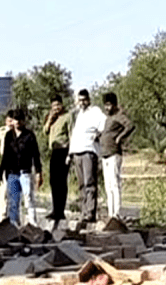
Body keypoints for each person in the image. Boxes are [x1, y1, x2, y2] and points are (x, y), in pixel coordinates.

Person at [0, 109, 43, 227]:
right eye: (15, 119)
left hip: (25, 172)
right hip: (12, 172)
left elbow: (35, 155)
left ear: (23, 121)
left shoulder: (29, 135)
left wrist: (38, 172)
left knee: (29, 199)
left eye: (19, 119)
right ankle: (14, 224)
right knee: (13, 201)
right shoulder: (9, 135)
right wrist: (1, 171)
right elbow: (6, 155)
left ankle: (33, 224)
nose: (17, 122)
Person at [67, 89, 106, 223]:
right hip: (77, 151)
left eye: (84, 100)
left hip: (89, 150)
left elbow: (104, 124)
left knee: (89, 182)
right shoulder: (78, 115)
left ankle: (90, 212)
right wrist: (70, 153)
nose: (82, 103)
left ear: (88, 100)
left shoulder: (95, 111)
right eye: (80, 100)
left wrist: (97, 134)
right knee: (81, 184)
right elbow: (75, 134)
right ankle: (83, 212)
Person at [99, 92, 135, 219]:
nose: (107, 108)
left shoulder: (119, 116)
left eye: (109, 105)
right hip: (105, 154)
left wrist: (120, 137)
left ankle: (117, 213)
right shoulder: (107, 118)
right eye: (105, 105)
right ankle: (111, 213)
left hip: (114, 153)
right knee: (108, 186)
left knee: (115, 184)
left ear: (114, 105)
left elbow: (130, 125)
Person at [43, 95, 72, 222]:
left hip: (63, 151)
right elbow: (45, 131)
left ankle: (61, 211)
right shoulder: (51, 117)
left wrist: (70, 154)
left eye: (58, 105)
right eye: (54, 106)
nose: (56, 108)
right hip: (53, 151)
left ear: (62, 105)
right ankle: (55, 210)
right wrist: (50, 119)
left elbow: (71, 134)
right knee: (53, 181)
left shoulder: (67, 117)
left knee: (61, 181)